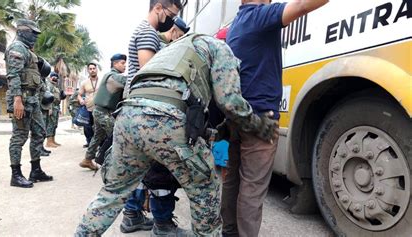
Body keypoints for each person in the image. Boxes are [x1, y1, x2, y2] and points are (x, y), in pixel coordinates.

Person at [75, 33, 278, 237]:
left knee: (113, 192)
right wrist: (258, 124)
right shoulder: (221, 49)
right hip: (166, 118)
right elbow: (230, 101)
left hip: (128, 116)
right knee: (205, 188)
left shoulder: (175, 49)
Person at [221, 0, 329, 236]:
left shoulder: (236, 25)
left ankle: (228, 232)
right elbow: (301, 6)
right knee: (253, 185)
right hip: (261, 117)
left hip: (237, 116)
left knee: (233, 180)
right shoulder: (259, 16)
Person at [119, 0, 183, 235]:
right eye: (171, 14)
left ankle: (132, 216)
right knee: (160, 169)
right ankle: (163, 224)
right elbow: (151, 71)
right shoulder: (147, 32)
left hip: (134, 110)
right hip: (147, 111)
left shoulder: (146, 32)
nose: (172, 20)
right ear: (159, 8)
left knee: (137, 168)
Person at [5, 19, 53, 188]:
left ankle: (36, 170)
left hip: (33, 99)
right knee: (19, 136)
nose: (34, 37)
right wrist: (17, 100)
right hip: (22, 100)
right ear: (23, 31)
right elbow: (13, 75)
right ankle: (16, 175)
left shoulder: (27, 50)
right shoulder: (16, 48)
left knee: (40, 132)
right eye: (33, 33)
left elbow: (35, 75)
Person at [84, 54, 127, 165]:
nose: (125, 65)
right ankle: (113, 164)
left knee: (97, 136)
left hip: (99, 111)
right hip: (104, 113)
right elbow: (130, 81)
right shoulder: (115, 76)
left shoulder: (109, 75)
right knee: (117, 136)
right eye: (122, 63)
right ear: (115, 64)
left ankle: (87, 159)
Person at [77, 63, 100, 171]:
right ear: (88, 71)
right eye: (90, 69)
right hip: (88, 109)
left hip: (100, 109)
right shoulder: (84, 83)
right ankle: (90, 148)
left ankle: (95, 149)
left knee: (99, 129)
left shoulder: (102, 81)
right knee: (88, 129)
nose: (92, 70)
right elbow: (79, 94)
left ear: (96, 69)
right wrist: (81, 100)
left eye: (93, 68)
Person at [45, 71, 62, 148]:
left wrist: (59, 108)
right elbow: (48, 97)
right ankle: (49, 142)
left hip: (56, 107)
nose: (55, 78)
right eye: (53, 76)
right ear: (50, 77)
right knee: (50, 124)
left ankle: (53, 140)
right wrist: (49, 108)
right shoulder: (49, 86)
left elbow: (58, 98)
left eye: (56, 77)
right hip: (52, 106)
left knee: (54, 125)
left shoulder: (56, 87)